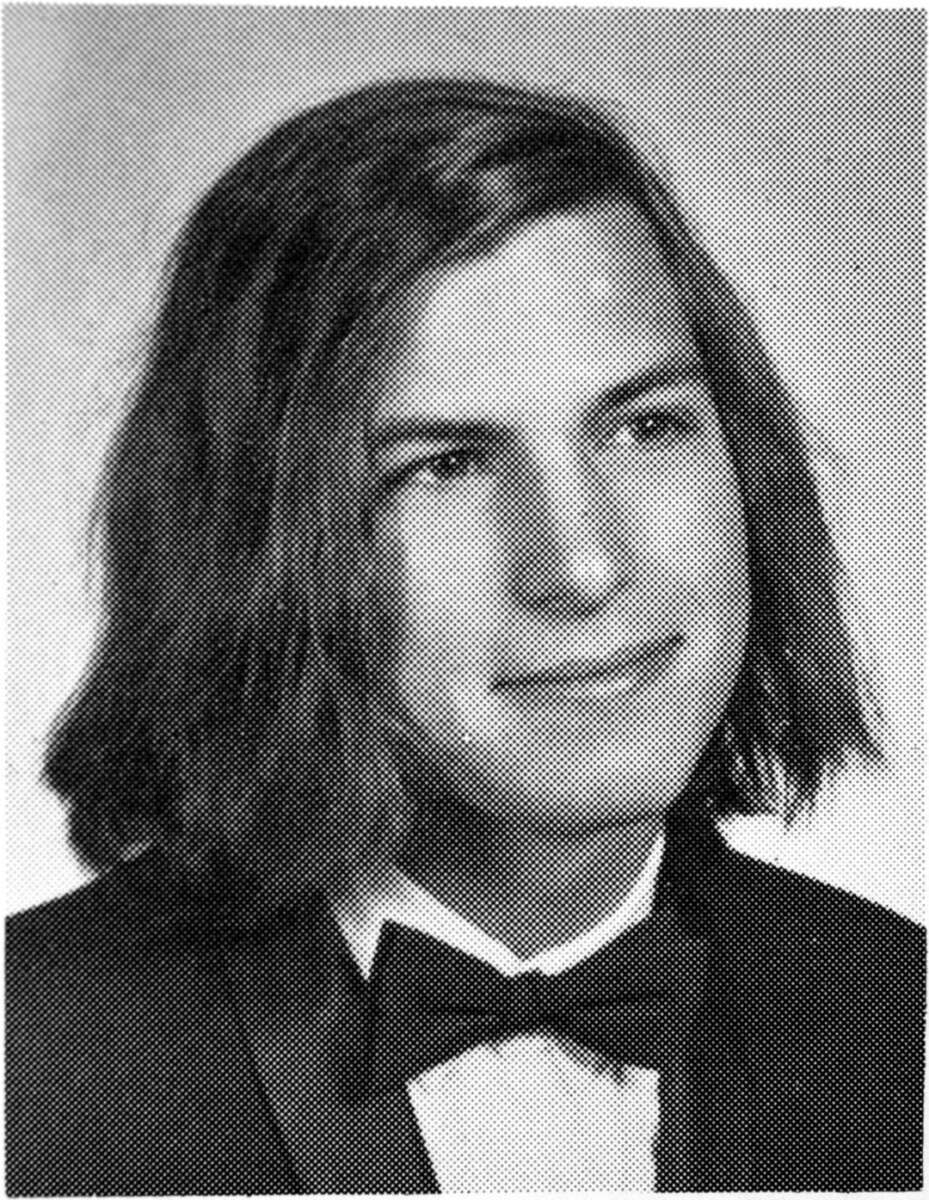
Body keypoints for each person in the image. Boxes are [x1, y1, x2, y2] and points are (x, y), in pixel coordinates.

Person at [6, 77, 923, 1196]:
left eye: (645, 425)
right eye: (444, 465)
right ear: (259, 548)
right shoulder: (35, 1050)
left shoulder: (896, 1018)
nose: (582, 565)